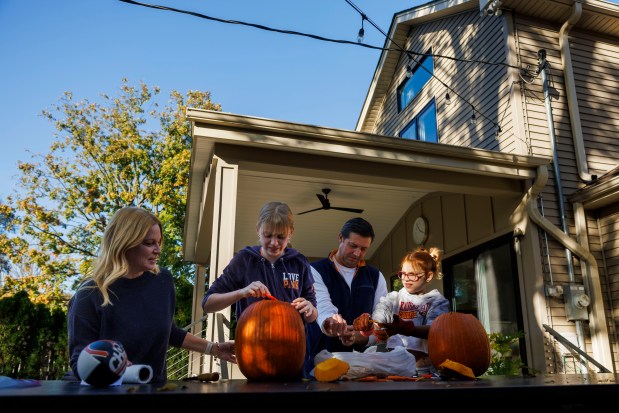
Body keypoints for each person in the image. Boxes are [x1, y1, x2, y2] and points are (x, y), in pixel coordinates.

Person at [67, 206, 236, 384]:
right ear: (124, 243)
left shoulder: (162, 281)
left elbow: (165, 330)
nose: (157, 250)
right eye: (149, 243)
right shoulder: (89, 294)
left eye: (158, 242)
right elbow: (79, 361)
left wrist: (214, 348)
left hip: (155, 389)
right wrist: (117, 369)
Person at [202, 201, 317, 376]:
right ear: (258, 230)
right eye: (267, 235)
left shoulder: (299, 262)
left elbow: (313, 313)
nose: (274, 242)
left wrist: (310, 310)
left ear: (290, 233)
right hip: (255, 356)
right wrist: (242, 292)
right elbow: (208, 304)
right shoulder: (244, 260)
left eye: (281, 237)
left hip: (293, 356)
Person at [308, 217, 388, 357]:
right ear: (340, 238)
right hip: (322, 358)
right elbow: (322, 306)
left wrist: (362, 337)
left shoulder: (375, 276)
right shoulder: (315, 270)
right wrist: (331, 323)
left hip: (364, 362)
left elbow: (381, 320)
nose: (357, 253)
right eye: (353, 246)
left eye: (363, 249)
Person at [370, 246, 450, 374]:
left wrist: (410, 329)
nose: (406, 279)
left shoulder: (436, 301)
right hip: (391, 365)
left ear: (428, 276)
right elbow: (381, 312)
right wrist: (376, 324)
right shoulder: (394, 297)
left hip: (422, 368)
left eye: (412, 275)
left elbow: (436, 329)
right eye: (403, 274)